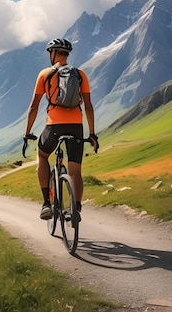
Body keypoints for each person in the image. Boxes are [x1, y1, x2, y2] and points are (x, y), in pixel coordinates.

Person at [24, 38, 99, 221]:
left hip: (53, 126)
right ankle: (77, 209)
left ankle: (46, 204)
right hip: (76, 127)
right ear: (66, 54)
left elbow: (34, 106)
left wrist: (27, 133)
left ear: (53, 53)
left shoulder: (45, 74)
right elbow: (88, 106)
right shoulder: (80, 74)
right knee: (75, 170)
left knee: (42, 156)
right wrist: (91, 133)